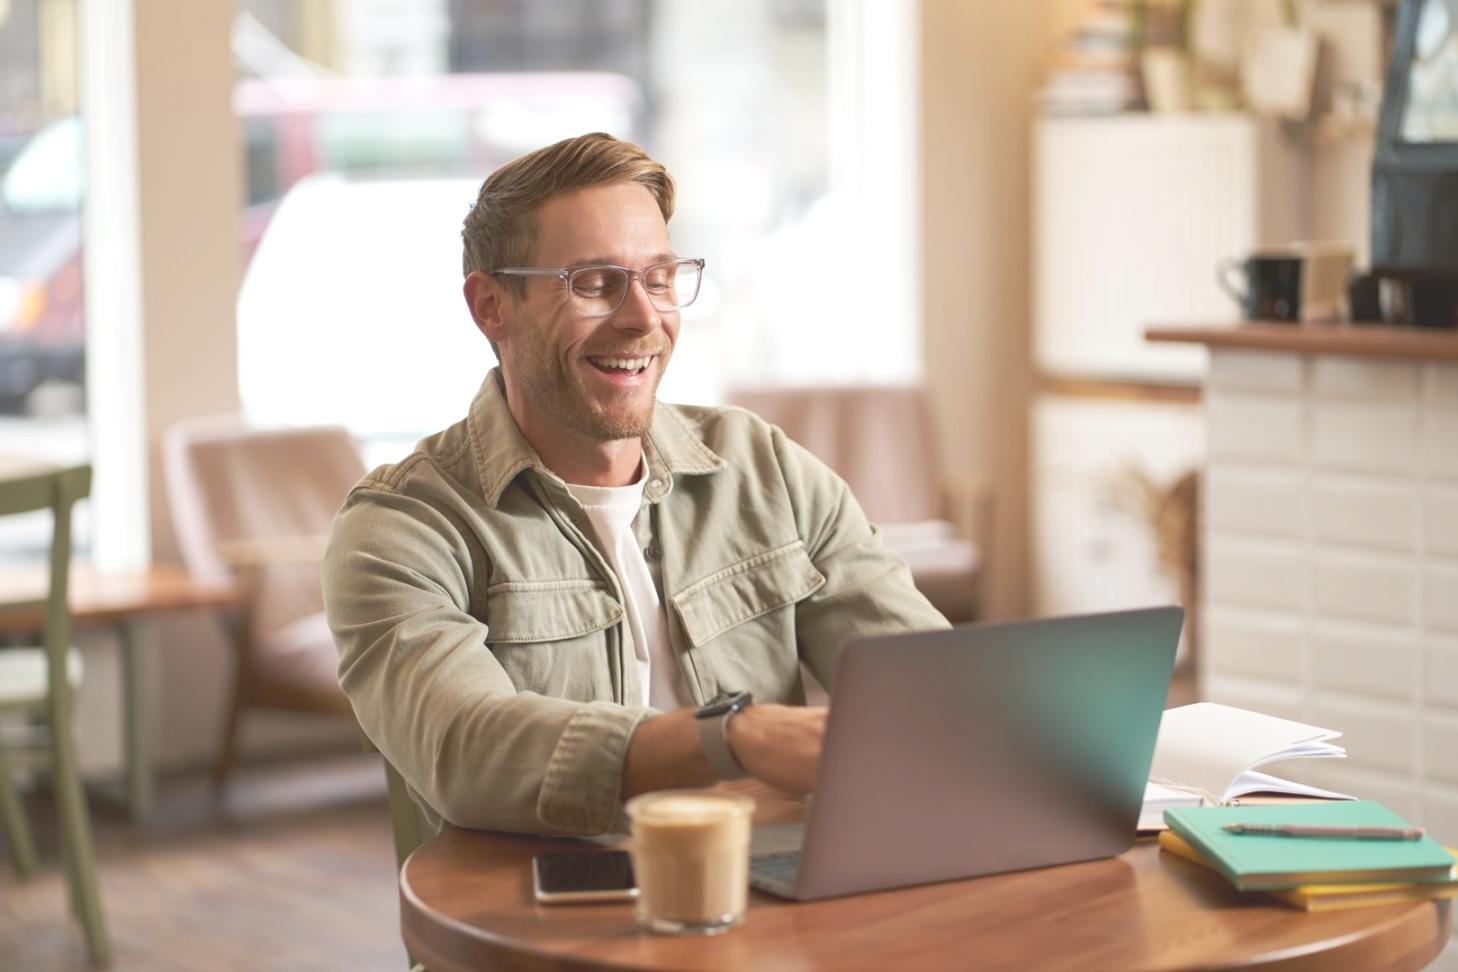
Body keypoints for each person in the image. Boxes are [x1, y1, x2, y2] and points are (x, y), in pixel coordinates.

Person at [323, 132, 947, 837]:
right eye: (593, 284)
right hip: (531, 926)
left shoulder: (766, 470)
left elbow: (925, 691)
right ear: (492, 307)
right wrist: (731, 736)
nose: (643, 319)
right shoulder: (402, 528)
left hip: (770, 912)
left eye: (659, 279)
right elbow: (464, 748)